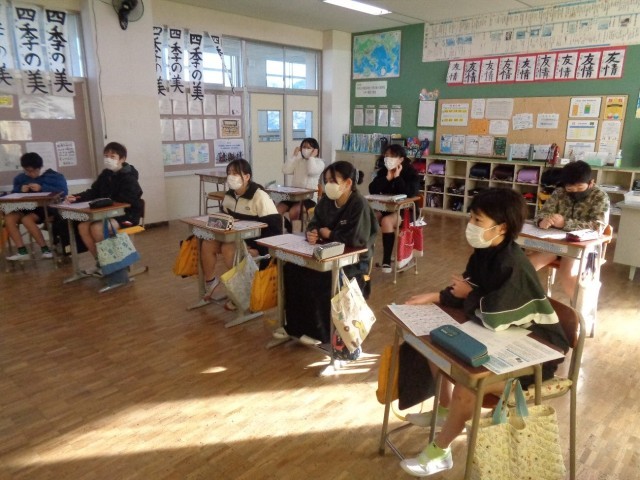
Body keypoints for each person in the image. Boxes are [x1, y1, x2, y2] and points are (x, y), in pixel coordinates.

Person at [399, 188, 569, 477]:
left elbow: (495, 316)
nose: (471, 225)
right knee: (434, 346)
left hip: (536, 356)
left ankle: (440, 452)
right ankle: (445, 410)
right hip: (506, 337)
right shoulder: (485, 252)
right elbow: (467, 288)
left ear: (501, 228)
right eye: (472, 218)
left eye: (478, 220)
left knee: (469, 387)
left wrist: (468, 294)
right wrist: (435, 296)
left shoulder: (512, 263)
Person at [274, 161, 378, 347]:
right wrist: (312, 232)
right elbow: (315, 222)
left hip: (352, 262)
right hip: (324, 255)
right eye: (327, 180)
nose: (328, 184)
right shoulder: (326, 201)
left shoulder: (358, 204)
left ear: (348, 183)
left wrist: (329, 234)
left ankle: (318, 332)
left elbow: (357, 239)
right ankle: (295, 326)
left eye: (333, 181)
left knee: (319, 278)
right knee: (291, 270)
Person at [201, 158, 282, 308]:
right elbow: (223, 218)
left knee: (228, 249)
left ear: (247, 177)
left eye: (235, 173)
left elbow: (276, 230)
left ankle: (241, 293)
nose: (231, 177)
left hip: (254, 243)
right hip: (233, 238)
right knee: (207, 243)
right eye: (229, 173)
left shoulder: (260, 197)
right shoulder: (229, 196)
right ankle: (211, 283)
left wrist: (259, 249)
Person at [528, 160, 610, 300]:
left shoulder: (599, 197)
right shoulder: (559, 193)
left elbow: (598, 226)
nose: (575, 192)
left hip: (582, 246)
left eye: (580, 187)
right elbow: (542, 214)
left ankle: (580, 309)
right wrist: (542, 221)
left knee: (568, 273)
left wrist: (565, 223)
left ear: (591, 182)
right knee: (527, 265)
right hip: (555, 243)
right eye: (570, 189)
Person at [66, 142, 143, 274]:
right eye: (106, 156)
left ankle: (114, 266)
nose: (108, 159)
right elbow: (93, 192)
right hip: (107, 214)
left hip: (127, 216)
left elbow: (129, 201)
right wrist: (76, 197)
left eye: (112, 156)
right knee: (82, 226)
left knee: (97, 228)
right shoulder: (105, 174)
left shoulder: (129, 178)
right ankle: (102, 263)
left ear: (122, 159)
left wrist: (106, 203)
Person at [5, 152, 68, 261]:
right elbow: (14, 192)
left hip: (45, 209)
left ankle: (45, 250)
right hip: (25, 208)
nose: (30, 174)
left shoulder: (54, 176)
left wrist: (42, 188)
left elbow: (63, 191)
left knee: (26, 219)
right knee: (8, 218)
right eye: (27, 171)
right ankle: (22, 251)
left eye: (32, 171)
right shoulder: (20, 178)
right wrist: (20, 190)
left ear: (39, 167)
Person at [368, 144, 420, 273]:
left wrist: (397, 177)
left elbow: (410, 193)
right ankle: (365, 256)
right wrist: (387, 178)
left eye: (392, 156)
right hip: (387, 208)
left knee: (386, 221)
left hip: (406, 211)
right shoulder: (384, 171)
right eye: (386, 156)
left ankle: (386, 260)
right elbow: (372, 189)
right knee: (369, 218)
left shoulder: (410, 172)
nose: (387, 159)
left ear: (401, 159)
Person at [278, 137, 325, 232]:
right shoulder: (298, 161)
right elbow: (285, 170)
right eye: (303, 147)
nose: (305, 149)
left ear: (315, 150)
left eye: (309, 147)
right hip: (293, 196)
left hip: (308, 198)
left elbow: (311, 171)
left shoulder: (319, 162)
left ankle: (294, 232)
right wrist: (294, 156)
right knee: (277, 210)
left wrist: (312, 157)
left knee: (294, 212)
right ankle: (285, 228)